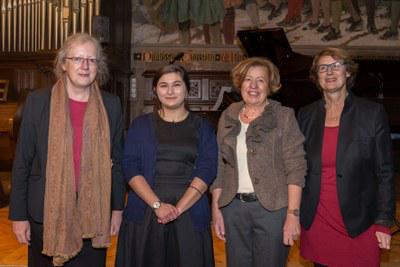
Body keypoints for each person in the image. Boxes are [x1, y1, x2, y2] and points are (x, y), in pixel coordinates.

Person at [8, 33, 125, 266]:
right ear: (63, 63)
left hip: (93, 214)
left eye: (92, 60)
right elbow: (22, 161)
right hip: (45, 212)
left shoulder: (111, 105)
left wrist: (117, 208)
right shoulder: (38, 102)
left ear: (98, 66)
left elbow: (117, 161)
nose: (85, 66)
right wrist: (18, 215)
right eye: (77, 59)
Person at [298, 47, 395, 267]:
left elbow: (385, 172)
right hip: (318, 219)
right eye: (323, 67)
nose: (330, 72)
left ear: (348, 72)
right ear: (316, 76)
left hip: (360, 220)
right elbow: (297, 168)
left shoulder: (372, 113)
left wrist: (383, 220)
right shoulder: (305, 115)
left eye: (336, 65)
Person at [115, 64, 217, 267]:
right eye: (163, 85)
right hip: (145, 212)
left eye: (176, 85)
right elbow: (130, 166)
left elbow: (208, 168)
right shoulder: (140, 125)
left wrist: (177, 210)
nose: (170, 91)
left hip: (189, 213)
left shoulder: (203, 126)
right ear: (155, 90)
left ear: (187, 89)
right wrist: (157, 205)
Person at [211, 57, 307, 267]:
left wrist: (293, 214)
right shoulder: (228, 114)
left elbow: (296, 167)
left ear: (270, 86)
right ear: (240, 83)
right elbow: (218, 165)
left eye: (260, 81)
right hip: (233, 208)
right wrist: (216, 210)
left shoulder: (284, 116)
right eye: (248, 79)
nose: (253, 86)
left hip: (272, 210)